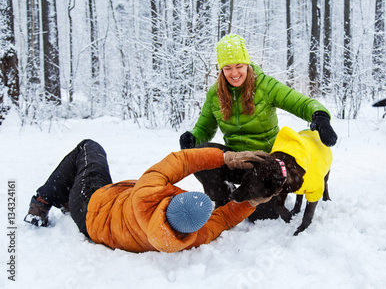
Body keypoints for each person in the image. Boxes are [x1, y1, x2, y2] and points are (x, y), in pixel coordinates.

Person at [179, 33, 337, 216]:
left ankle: (263, 199)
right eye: (228, 68)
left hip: (264, 165)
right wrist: (193, 137)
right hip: (236, 159)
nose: (234, 73)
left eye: (239, 66)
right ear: (221, 69)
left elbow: (301, 103)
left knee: (260, 216)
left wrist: (320, 116)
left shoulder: (265, 86)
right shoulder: (215, 94)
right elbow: (204, 129)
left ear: (247, 64)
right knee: (201, 152)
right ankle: (223, 199)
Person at [24, 139, 272, 253]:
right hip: (103, 223)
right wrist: (251, 203)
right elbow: (224, 220)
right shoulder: (192, 237)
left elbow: (181, 161)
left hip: (94, 204)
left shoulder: (148, 193)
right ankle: (67, 198)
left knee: (89, 149)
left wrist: (225, 158)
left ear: (174, 199)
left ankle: (42, 202)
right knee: (86, 172)